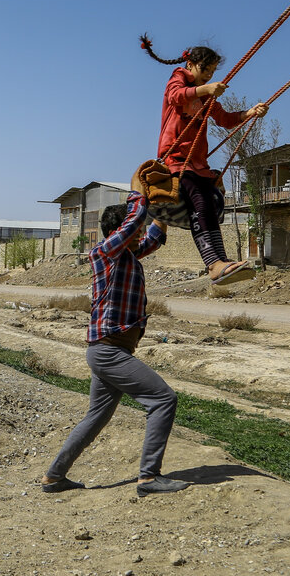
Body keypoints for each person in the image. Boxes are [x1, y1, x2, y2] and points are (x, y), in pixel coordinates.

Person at [40, 170, 191, 498]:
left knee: (96, 416)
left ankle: (54, 477)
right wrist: (140, 192)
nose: (138, 236)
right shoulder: (105, 254)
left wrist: (163, 213)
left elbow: (153, 235)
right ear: (119, 231)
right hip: (109, 351)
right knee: (164, 399)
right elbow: (137, 218)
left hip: (112, 351)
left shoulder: (128, 255)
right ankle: (149, 478)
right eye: (132, 231)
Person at [141, 35, 268, 285]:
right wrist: (204, 89)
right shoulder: (178, 78)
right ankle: (213, 264)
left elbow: (225, 119)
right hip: (177, 159)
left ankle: (219, 261)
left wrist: (250, 112)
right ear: (190, 65)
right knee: (200, 201)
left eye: (211, 71)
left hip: (197, 164)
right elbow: (177, 97)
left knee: (209, 204)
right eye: (204, 69)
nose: (208, 75)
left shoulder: (208, 98)